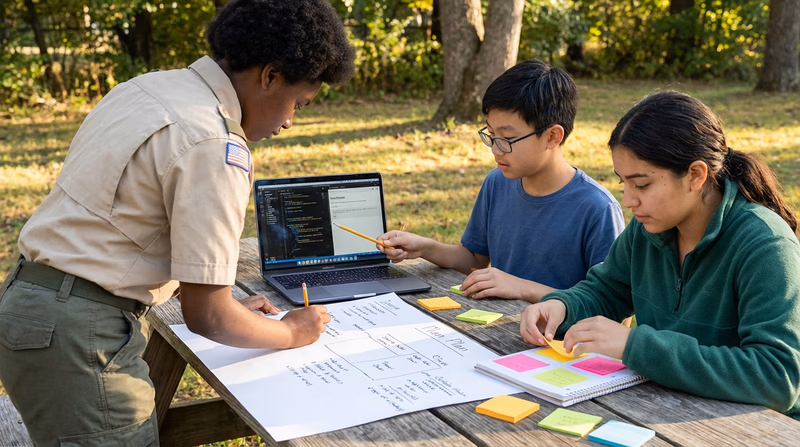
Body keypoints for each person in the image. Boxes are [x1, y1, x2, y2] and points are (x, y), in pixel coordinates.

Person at [0, 0, 355, 445]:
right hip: (82, 338)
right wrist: (289, 330)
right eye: (298, 104)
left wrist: (224, 309)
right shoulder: (214, 143)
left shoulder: (148, 88)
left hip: (31, 304)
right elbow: (208, 317)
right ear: (270, 76)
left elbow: (121, 226)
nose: (288, 122)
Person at [520, 90, 800, 419]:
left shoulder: (764, 244)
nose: (628, 200)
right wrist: (563, 306)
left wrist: (634, 346)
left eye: (642, 185)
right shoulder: (650, 227)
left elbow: (777, 377)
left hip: (751, 428)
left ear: (696, 175)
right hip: (661, 410)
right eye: (623, 182)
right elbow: (607, 290)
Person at [378, 59, 624, 303]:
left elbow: (610, 307)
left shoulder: (597, 208)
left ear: (552, 136)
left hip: (559, 339)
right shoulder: (497, 182)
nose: (495, 149)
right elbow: (475, 259)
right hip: (500, 327)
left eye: (507, 138)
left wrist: (521, 287)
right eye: (491, 134)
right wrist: (424, 248)